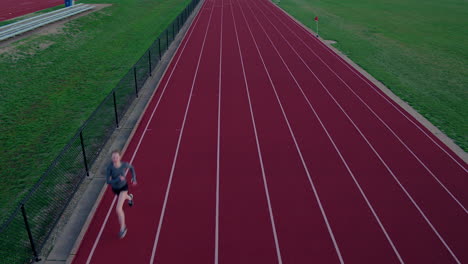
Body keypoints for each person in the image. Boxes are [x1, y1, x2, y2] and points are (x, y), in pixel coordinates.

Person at [106, 150, 137, 238]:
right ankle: (130, 197)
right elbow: (108, 181)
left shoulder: (124, 164)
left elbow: (131, 168)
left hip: (123, 188)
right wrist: (117, 180)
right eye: (113, 157)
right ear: (111, 158)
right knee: (124, 198)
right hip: (115, 189)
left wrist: (134, 178)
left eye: (116, 157)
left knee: (118, 209)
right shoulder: (109, 168)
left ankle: (123, 228)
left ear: (120, 157)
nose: (115, 159)